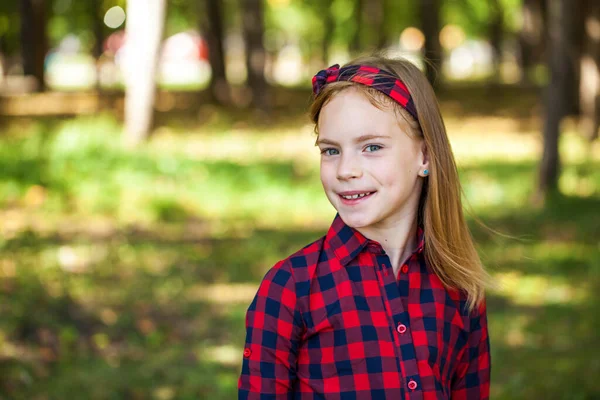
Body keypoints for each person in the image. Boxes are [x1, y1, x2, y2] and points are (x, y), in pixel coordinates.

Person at [238, 55, 491, 399]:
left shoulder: (459, 286)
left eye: (371, 147)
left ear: (426, 157)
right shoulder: (290, 288)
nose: (345, 170)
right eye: (330, 151)